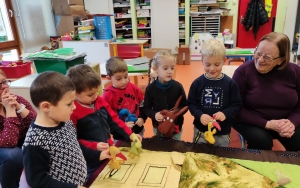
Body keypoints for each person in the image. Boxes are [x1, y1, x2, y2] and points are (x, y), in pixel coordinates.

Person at [23, 72, 105, 188]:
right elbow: (37, 180)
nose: (75, 107)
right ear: (46, 106)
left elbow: (74, 148)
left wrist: (97, 155)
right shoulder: (35, 142)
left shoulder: (66, 122)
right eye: (69, 104)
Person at [66, 64, 141, 178]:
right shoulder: (72, 112)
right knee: (94, 180)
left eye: (98, 91)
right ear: (74, 93)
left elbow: (114, 120)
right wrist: (95, 147)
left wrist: (130, 134)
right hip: (90, 159)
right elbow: (73, 142)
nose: (96, 96)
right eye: (90, 94)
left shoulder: (99, 101)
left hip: (109, 151)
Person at [232, 32, 300, 151]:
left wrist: (291, 123)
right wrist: (267, 124)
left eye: (267, 57)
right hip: (252, 121)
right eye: (258, 53)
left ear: (281, 60)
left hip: (286, 121)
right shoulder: (243, 72)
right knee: (260, 142)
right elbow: (235, 108)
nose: (260, 60)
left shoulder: (295, 72)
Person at [187, 39, 241, 147]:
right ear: (202, 60)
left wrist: (225, 113)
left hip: (223, 132)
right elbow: (191, 103)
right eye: (207, 64)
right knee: (199, 155)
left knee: (220, 157)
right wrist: (200, 115)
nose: (212, 69)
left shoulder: (230, 84)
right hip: (201, 131)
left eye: (217, 64)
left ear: (224, 61)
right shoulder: (197, 83)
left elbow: (236, 105)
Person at [0, 70, 36, 188]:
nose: (4, 86)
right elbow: (8, 142)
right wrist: (10, 110)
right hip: (5, 147)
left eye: (4, 81)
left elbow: (38, 124)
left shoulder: (17, 99)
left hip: (19, 142)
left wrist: (19, 107)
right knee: (13, 155)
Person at [144, 50, 187, 140]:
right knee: (160, 149)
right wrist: (154, 114)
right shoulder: (150, 89)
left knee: (175, 150)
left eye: (172, 68)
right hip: (158, 128)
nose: (170, 71)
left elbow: (184, 106)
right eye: (165, 68)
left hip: (176, 128)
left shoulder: (178, 86)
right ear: (156, 69)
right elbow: (146, 108)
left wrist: (174, 114)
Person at [102, 57, 146, 139]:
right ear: (109, 78)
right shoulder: (108, 95)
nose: (124, 81)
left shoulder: (134, 88)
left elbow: (142, 104)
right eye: (118, 79)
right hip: (120, 133)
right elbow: (107, 117)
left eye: (126, 77)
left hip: (138, 128)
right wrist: (122, 126)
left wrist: (142, 117)